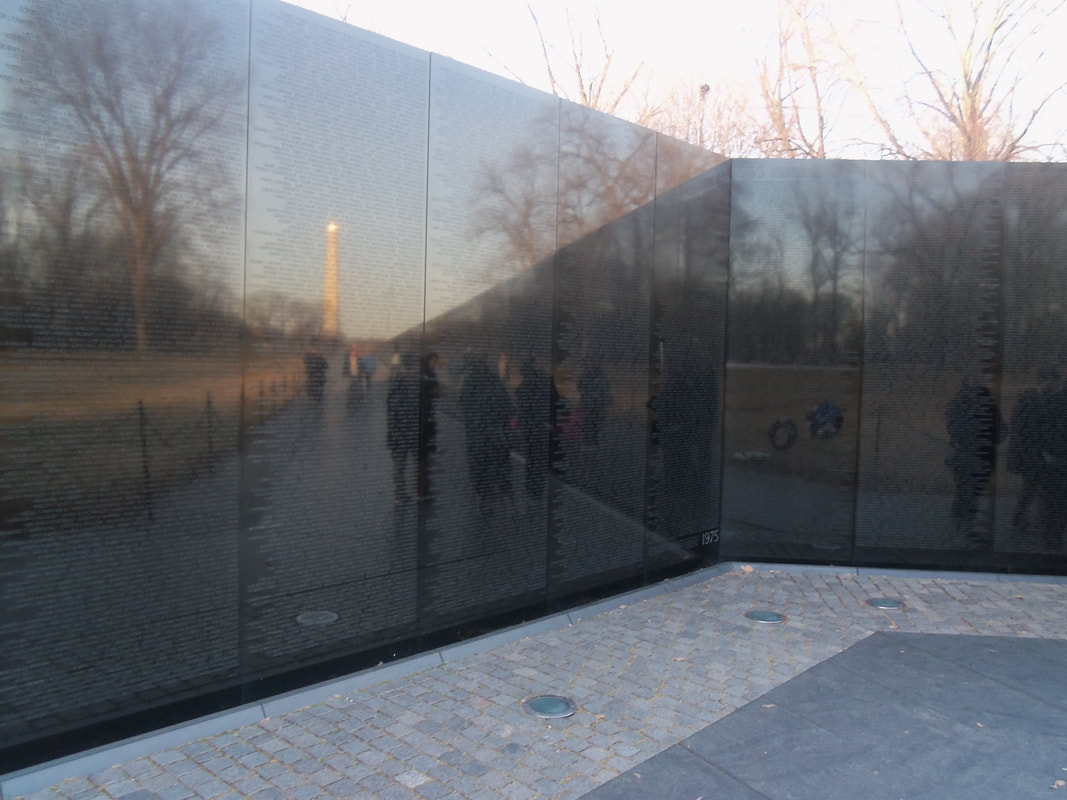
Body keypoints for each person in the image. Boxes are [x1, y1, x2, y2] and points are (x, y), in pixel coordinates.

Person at [944, 375, 1005, 539]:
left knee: (974, 491)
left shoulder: (990, 403)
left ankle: (963, 521)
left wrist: (990, 439)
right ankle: (964, 523)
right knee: (965, 490)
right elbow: (954, 427)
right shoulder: (958, 404)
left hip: (984, 456)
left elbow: (1002, 429)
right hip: (965, 455)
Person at [1007, 368, 1060, 530]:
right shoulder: (1034, 400)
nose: (1057, 386)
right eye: (1055, 381)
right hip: (1033, 454)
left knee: (1032, 488)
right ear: (1047, 381)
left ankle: (1023, 519)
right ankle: (1030, 520)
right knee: (1037, 488)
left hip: (1032, 454)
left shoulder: (1029, 399)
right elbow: (1026, 429)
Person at [460, 355, 514, 507]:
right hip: (496, 434)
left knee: (478, 465)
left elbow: (464, 406)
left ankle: (480, 495)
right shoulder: (495, 381)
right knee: (502, 464)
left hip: (476, 436)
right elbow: (507, 406)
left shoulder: (469, 383)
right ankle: (506, 495)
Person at [515, 358, 558, 500]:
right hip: (543, 428)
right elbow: (556, 401)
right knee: (540, 459)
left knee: (532, 459)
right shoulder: (547, 381)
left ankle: (531, 489)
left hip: (530, 429)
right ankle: (537, 490)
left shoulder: (522, 388)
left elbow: (522, 408)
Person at [386, 353, 420, 505]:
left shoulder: (395, 381)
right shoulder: (409, 384)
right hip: (406, 433)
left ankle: (400, 495)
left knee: (399, 467)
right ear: (412, 366)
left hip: (398, 433)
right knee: (416, 462)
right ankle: (411, 493)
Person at [418, 352, 442, 500]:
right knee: (422, 460)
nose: (435, 363)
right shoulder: (427, 374)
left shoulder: (427, 373)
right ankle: (423, 491)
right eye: (433, 361)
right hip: (424, 414)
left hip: (427, 413)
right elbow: (435, 390)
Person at [578, 360, 611, 446]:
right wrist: (589, 393)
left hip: (599, 406)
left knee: (597, 423)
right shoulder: (586, 375)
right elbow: (580, 387)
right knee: (587, 423)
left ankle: (595, 441)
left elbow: (607, 391)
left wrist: (601, 398)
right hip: (588, 405)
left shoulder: (604, 377)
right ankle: (588, 441)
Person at [304, 337, 328, 402]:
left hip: (319, 378)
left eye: (315, 346)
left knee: (318, 395)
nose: (314, 348)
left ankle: (317, 399)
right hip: (313, 377)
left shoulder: (320, 355)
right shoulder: (308, 355)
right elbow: (307, 363)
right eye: (312, 346)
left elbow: (326, 366)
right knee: (313, 393)